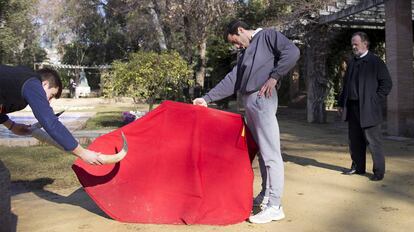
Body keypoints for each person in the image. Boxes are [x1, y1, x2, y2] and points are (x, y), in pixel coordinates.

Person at [193, 20, 300, 223]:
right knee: (261, 152)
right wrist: (206, 98)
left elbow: (293, 52)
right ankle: (266, 194)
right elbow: (232, 80)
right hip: (250, 102)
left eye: (235, 41)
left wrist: (274, 77)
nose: (236, 46)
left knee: (271, 153)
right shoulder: (245, 52)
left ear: (241, 30)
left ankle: (275, 205)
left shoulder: (268, 35)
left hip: (263, 98)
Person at [0, 65, 104, 165]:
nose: (49, 101)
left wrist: (11, 125)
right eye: (52, 95)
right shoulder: (32, 82)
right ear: (44, 84)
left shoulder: (19, 82)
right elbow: (50, 122)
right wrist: (83, 153)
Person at [338, 32, 392, 181]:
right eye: (352, 44)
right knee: (354, 140)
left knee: (373, 141)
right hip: (353, 107)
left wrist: (375, 100)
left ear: (365, 44)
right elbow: (346, 86)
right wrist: (341, 103)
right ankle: (358, 167)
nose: (353, 47)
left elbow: (386, 84)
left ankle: (378, 172)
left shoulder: (376, 62)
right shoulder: (352, 62)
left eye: (356, 44)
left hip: (369, 109)